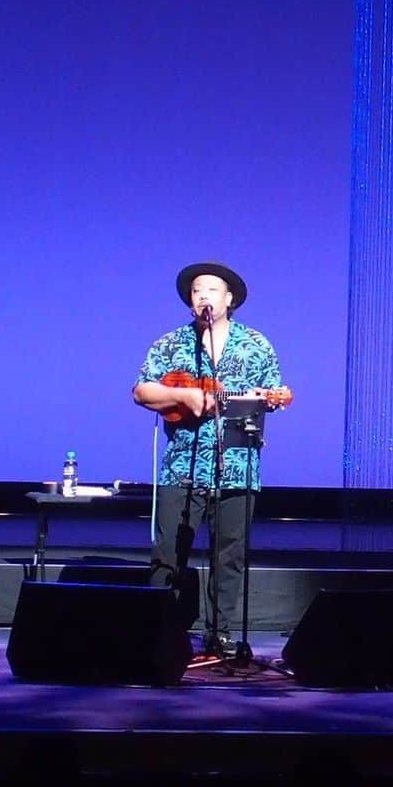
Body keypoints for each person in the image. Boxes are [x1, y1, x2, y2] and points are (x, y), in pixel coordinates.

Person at [133, 261, 283, 657]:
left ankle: (221, 636)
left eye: (212, 290)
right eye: (197, 291)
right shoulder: (171, 344)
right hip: (181, 467)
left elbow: (271, 392)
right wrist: (184, 396)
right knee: (168, 555)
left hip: (236, 467)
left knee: (228, 556)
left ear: (229, 299)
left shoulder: (256, 345)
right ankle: (159, 633)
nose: (203, 297)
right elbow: (141, 390)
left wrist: (268, 398)